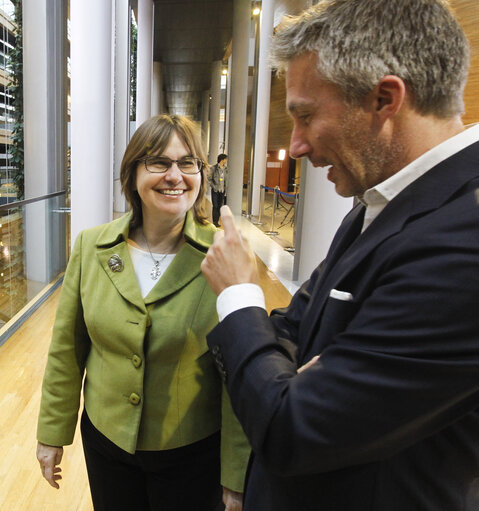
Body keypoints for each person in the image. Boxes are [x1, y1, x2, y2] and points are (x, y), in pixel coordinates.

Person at [201, 0, 479, 509]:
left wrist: (241, 297)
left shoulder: (465, 242)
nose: (298, 146)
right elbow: (291, 327)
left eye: (305, 116)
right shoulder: (377, 203)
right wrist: (292, 372)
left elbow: (291, 428)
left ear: (384, 99)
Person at [36, 115, 250, 511]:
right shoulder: (92, 247)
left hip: (191, 453)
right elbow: (67, 348)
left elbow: (241, 374)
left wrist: (237, 474)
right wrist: (52, 432)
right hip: (107, 444)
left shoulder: (225, 256)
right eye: (158, 162)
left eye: (188, 163)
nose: (175, 176)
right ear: (133, 172)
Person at [209, 153, 228, 225]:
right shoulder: (214, 168)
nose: (226, 161)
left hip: (222, 190)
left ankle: (217, 220)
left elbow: (226, 179)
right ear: (222, 160)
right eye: (225, 159)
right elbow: (209, 178)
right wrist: (213, 186)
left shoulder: (226, 169)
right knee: (215, 205)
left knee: (220, 206)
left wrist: (226, 187)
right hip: (215, 190)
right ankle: (215, 222)